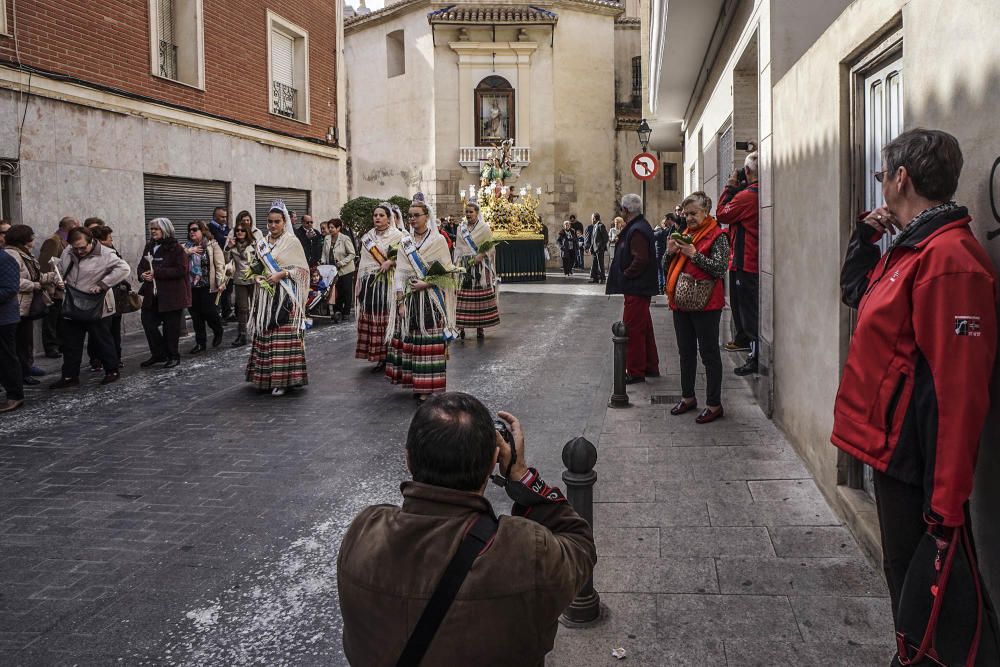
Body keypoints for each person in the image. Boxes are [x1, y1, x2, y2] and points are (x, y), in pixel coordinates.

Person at [833, 128, 999, 664]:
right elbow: (855, 293)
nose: (881, 185)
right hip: (894, 451)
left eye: (883, 176)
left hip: (918, 462)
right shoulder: (910, 248)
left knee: (922, 587)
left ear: (901, 178)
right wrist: (864, 238)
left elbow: (961, 392)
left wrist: (947, 504)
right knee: (905, 581)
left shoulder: (948, 259)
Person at [337, 393, 596, 666]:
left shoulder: (363, 533)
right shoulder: (524, 551)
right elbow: (580, 544)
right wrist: (520, 475)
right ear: (492, 461)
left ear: (408, 459)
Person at [663, 192, 729, 424]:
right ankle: (688, 397)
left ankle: (714, 404)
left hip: (707, 304)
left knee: (709, 354)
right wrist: (670, 253)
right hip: (681, 303)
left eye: (694, 213)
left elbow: (720, 269)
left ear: (706, 211)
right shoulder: (682, 234)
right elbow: (666, 266)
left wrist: (694, 254)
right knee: (686, 353)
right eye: (686, 213)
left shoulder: (718, 236)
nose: (689, 217)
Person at [385, 196, 457, 400]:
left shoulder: (438, 240)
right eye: (409, 216)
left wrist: (427, 283)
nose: (412, 219)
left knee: (431, 341)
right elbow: (399, 273)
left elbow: (447, 271)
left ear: (427, 217)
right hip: (410, 298)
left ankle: (431, 387)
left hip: (432, 298)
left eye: (417, 215)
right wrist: (400, 302)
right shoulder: (405, 242)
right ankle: (420, 384)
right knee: (416, 342)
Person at [50, 227, 130, 388]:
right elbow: (60, 269)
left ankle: (112, 371)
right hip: (72, 303)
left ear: (91, 241)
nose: (79, 251)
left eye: (83, 247)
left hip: (97, 303)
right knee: (71, 343)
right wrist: (59, 279)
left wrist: (103, 284)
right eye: (75, 248)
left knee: (102, 340)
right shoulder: (68, 251)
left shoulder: (106, 254)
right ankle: (69, 376)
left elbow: (124, 269)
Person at [245, 201, 310, 397]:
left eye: (277, 222)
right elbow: (255, 266)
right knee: (266, 335)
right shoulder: (262, 243)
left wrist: (282, 274)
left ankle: (283, 381)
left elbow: (302, 270)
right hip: (265, 297)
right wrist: (256, 276)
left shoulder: (292, 242)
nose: (273, 225)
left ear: (284, 222)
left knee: (283, 337)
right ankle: (265, 379)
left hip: (285, 297)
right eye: (270, 222)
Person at [606, 194, 659, 383]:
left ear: (626, 211)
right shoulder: (639, 226)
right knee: (644, 328)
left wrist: (626, 274)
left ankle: (636, 371)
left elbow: (641, 259)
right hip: (639, 288)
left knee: (633, 330)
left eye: (622, 209)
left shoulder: (636, 230)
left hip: (637, 288)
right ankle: (651, 366)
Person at [717, 152, 760, 375]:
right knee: (744, 307)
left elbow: (721, 213)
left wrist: (730, 187)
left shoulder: (747, 196)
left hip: (746, 261)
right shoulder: (756, 194)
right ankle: (745, 340)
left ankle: (754, 357)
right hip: (746, 260)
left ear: (748, 171)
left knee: (748, 311)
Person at [5, 225, 59, 386]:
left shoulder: (25, 254)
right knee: (18, 341)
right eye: (32, 236)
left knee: (25, 340)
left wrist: (51, 277)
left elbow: (35, 275)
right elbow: (14, 281)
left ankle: (26, 368)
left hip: (26, 305)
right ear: (24, 238)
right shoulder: (12, 254)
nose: (34, 240)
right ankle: (20, 374)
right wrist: (35, 285)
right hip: (18, 305)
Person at [355, 203, 404, 372]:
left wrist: (391, 261)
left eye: (381, 215)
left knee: (387, 317)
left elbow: (405, 259)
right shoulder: (368, 237)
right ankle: (378, 355)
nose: (377, 218)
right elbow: (364, 261)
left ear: (389, 218)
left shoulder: (397, 236)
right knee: (373, 317)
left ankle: (390, 353)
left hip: (388, 283)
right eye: (375, 215)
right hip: (370, 281)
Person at [137, 218, 190, 369]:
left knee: (171, 328)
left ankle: (173, 355)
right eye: (152, 229)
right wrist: (143, 275)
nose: (153, 231)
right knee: (148, 322)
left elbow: (181, 270)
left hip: (171, 295)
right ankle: (159, 353)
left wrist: (157, 273)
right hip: (151, 294)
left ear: (165, 230)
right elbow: (141, 266)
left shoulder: (176, 248)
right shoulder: (149, 246)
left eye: (156, 229)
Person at [453, 201, 500, 340]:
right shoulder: (460, 228)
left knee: (480, 297)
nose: (468, 214)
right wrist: (457, 264)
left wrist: (482, 255)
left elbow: (491, 246)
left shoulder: (484, 228)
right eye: (466, 212)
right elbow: (458, 248)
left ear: (477, 213)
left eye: (471, 212)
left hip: (480, 266)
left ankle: (480, 327)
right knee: (462, 297)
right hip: (464, 265)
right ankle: (460, 327)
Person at [38, 216, 80, 358]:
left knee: (62, 318)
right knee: (51, 318)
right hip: (54, 288)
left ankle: (61, 343)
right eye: (77, 226)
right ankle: (51, 347)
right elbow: (46, 265)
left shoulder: (68, 241)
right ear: (71, 226)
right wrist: (52, 286)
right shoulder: (53, 241)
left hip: (65, 287)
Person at [89, 225, 129, 367]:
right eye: (110, 238)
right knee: (104, 332)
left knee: (112, 331)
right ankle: (104, 360)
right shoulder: (101, 254)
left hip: (114, 297)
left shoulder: (111, 252)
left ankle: (113, 359)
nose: (112, 240)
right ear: (101, 240)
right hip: (101, 298)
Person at [184, 220, 226, 355]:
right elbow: (178, 259)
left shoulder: (212, 245)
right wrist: (188, 252)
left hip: (208, 285)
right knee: (196, 316)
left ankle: (218, 330)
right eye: (190, 230)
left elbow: (220, 265)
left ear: (202, 231)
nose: (192, 232)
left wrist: (220, 282)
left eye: (195, 229)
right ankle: (200, 343)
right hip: (191, 287)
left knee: (209, 312)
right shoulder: (186, 247)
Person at [0, 244, 24, 412]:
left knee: (6, 357)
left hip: (4, 319)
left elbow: (10, 289)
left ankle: (15, 396)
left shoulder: (5, 259)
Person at [225, 214, 255, 347]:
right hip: (240, 280)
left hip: (255, 280)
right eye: (237, 230)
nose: (239, 232)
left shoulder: (254, 244)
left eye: (242, 230)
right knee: (242, 309)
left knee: (256, 306)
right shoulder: (233, 245)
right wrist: (228, 248)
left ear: (247, 232)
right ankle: (242, 335)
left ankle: (258, 331)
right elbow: (225, 261)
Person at [326, 218, 356, 322]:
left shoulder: (345, 238)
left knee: (346, 291)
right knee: (335, 291)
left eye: (332, 227)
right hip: (332, 270)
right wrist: (322, 262)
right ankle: (337, 312)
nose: (330, 229)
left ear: (338, 228)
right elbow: (324, 253)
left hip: (345, 269)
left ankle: (346, 312)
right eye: (329, 227)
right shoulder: (327, 239)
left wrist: (341, 263)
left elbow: (352, 254)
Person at [589, 213, 609, 284]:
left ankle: (602, 278)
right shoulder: (594, 226)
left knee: (600, 264)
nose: (591, 219)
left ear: (594, 218)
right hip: (594, 249)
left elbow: (606, 238)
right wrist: (591, 247)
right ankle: (595, 278)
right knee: (594, 263)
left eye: (592, 218)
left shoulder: (601, 226)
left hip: (599, 249)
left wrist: (600, 247)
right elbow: (593, 238)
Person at [653, 215, 670, 293]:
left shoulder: (661, 232)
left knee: (660, 271)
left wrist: (655, 229)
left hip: (659, 253)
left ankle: (661, 288)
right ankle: (663, 287)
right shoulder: (667, 231)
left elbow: (653, 235)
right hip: (664, 253)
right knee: (663, 271)